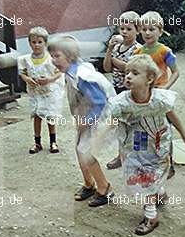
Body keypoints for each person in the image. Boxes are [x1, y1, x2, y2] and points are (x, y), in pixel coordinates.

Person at [105, 55, 185, 235]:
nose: (128, 76)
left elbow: (172, 115)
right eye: (127, 72)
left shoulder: (160, 99)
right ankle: (155, 201)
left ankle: (152, 209)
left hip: (159, 142)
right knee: (143, 175)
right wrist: (100, 135)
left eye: (135, 73)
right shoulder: (122, 101)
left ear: (150, 79)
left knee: (153, 173)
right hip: (136, 143)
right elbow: (111, 121)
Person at [48, 35, 115, 207]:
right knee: (80, 150)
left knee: (86, 152)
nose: (53, 60)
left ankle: (104, 188)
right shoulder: (70, 72)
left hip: (98, 118)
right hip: (85, 116)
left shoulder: (81, 75)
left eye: (57, 56)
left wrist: (87, 121)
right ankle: (89, 183)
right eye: (52, 56)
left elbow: (100, 101)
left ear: (70, 56)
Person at [103, 11, 142, 169]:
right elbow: (106, 68)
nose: (124, 32)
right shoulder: (116, 47)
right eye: (122, 28)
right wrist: (109, 49)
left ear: (137, 30)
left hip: (134, 93)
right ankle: (121, 156)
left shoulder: (138, 49)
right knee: (120, 125)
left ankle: (140, 157)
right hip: (117, 91)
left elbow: (129, 68)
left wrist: (113, 60)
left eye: (129, 28)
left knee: (138, 125)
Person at [18, 26, 64, 154]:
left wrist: (49, 79)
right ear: (29, 43)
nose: (36, 45)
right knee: (37, 116)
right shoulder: (26, 59)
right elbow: (22, 72)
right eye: (33, 42)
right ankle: (37, 142)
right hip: (35, 93)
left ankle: (53, 141)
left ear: (45, 43)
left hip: (48, 92)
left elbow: (59, 72)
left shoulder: (50, 59)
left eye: (40, 42)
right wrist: (27, 79)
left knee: (50, 116)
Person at [133, 11, 178, 89]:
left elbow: (175, 72)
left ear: (160, 32)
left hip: (160, 89)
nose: (147, 33)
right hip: (143, 90)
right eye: (144, 29)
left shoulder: (165, 51)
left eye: (151, 29)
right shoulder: (137, 52)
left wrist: (166, 86)